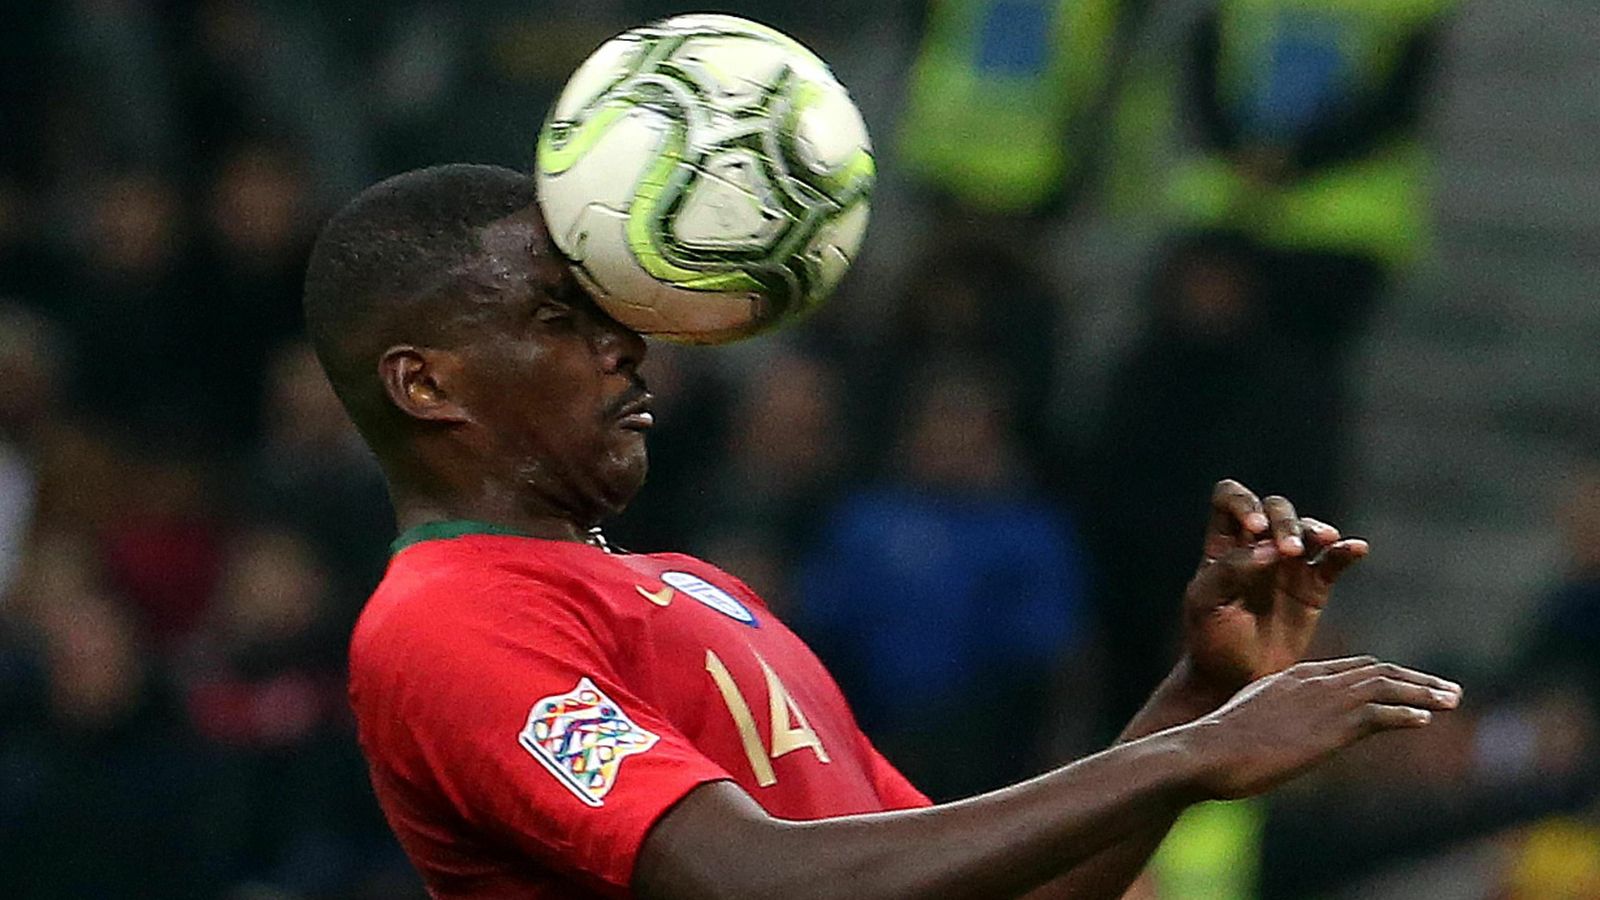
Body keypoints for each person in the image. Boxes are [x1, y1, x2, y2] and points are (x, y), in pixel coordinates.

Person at [305, 164, 1462, 899]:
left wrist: (1195, 699)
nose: (625, 343)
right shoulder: (449, 621)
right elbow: (747, 882)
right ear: (425, 384)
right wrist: (1190, 755)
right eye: (560, 318)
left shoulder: (694, 588)